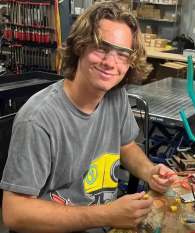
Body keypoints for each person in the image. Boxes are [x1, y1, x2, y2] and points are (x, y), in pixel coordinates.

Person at [0, 2, 177, 233]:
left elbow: (126, 146)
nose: (111, 63)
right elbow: (15, 213)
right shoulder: (39, 118)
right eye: (102, 48)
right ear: (80, 46)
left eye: (123, 54)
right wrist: (106, 214)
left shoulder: (116, 96)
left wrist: (150, 172)